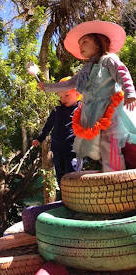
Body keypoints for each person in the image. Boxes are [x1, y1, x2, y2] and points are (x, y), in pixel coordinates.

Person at [39, 20, 136, 172]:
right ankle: (111, 175)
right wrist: (47, 87)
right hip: (94, 113)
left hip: (111, 110)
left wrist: (130, 93)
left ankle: (115, 178)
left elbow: (123, 75)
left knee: (111, 142)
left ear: (98, 42)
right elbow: (68, 84)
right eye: (79, 43)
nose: (81, 46)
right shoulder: (86, 69)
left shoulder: (108, 59)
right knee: (102, 145)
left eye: (85, 41)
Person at [32, 77, 82, 186]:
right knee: (61, 179)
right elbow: (48, 126)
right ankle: (64, 199)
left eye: (67, 95)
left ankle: (76, 199)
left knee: (73, 176)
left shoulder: (81, 110)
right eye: (60, 96)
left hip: (73, 151)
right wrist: (39, 139)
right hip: (57, 151)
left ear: (77, 94)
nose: (63, 99)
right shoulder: (56, 111)